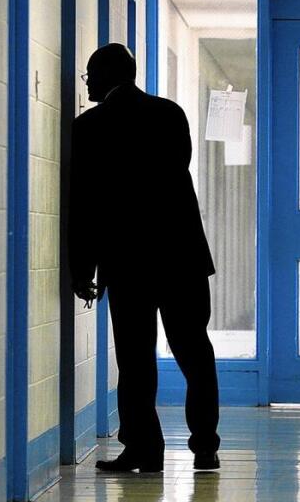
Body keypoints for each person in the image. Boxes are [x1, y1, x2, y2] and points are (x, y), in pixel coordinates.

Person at [69, 43, 220, 472]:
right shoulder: (170, 114)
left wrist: (84, 269)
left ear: (103, 75)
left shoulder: (89, 127)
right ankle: (205, 446)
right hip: (182, 256)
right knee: (195, 351)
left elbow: (86, 205)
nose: (88, 83)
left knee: (135, 359)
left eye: (89, 76)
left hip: (129, 260)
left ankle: (143, 449)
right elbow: (178, 172)